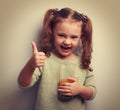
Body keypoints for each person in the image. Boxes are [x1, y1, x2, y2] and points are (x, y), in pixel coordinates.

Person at [18, 7, 97, 110]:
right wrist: (31, 64)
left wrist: (80, 90)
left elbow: (92, 93)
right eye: (61, 35)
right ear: (52, 33)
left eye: (73, 37)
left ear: (80, 37)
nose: (67, 42)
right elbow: (23, 83)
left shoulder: (83, 63)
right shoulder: (45, 60)